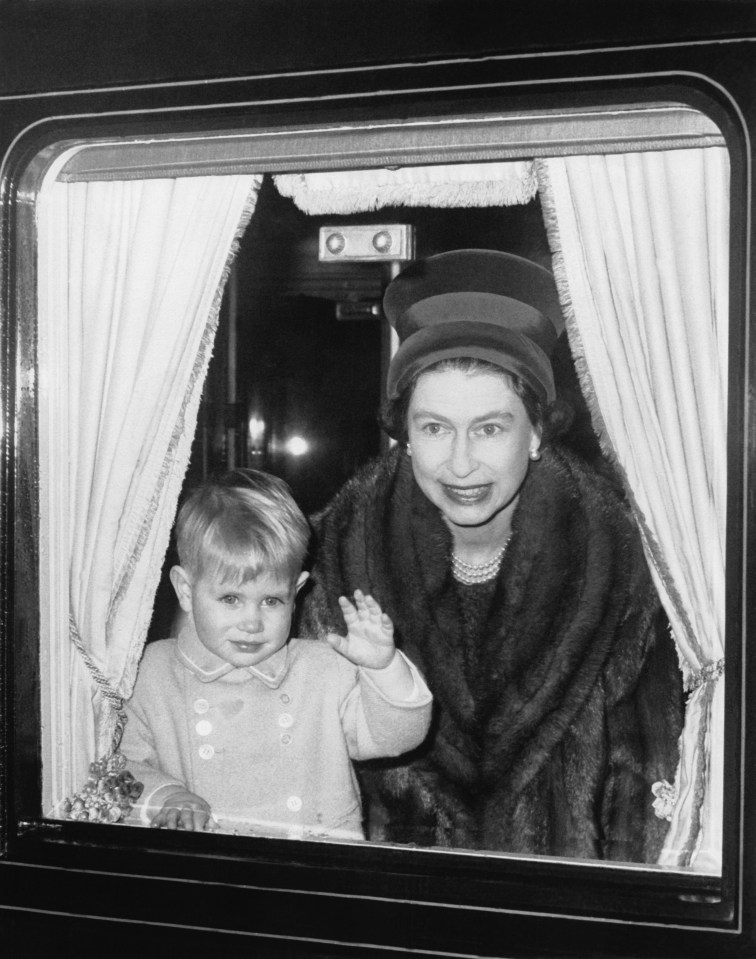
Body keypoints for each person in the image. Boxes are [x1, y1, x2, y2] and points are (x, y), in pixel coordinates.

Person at [299, 248, 684, 862]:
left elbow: (647, 791)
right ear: (403, 435)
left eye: (489, 428)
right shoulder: (330, 566)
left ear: (534, 432)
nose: (459, 464)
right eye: (433, 428)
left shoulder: (625, 571)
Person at [121, 470, 432, 840]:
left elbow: (397, 738)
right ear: (186, 590)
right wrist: (165, 796)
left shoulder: (323, 671)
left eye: (271, 600)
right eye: (230, 599)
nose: (252, 622)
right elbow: (121, 767)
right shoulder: (153, 673)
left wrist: (383, 667)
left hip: (315, 873)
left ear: (297, 591)